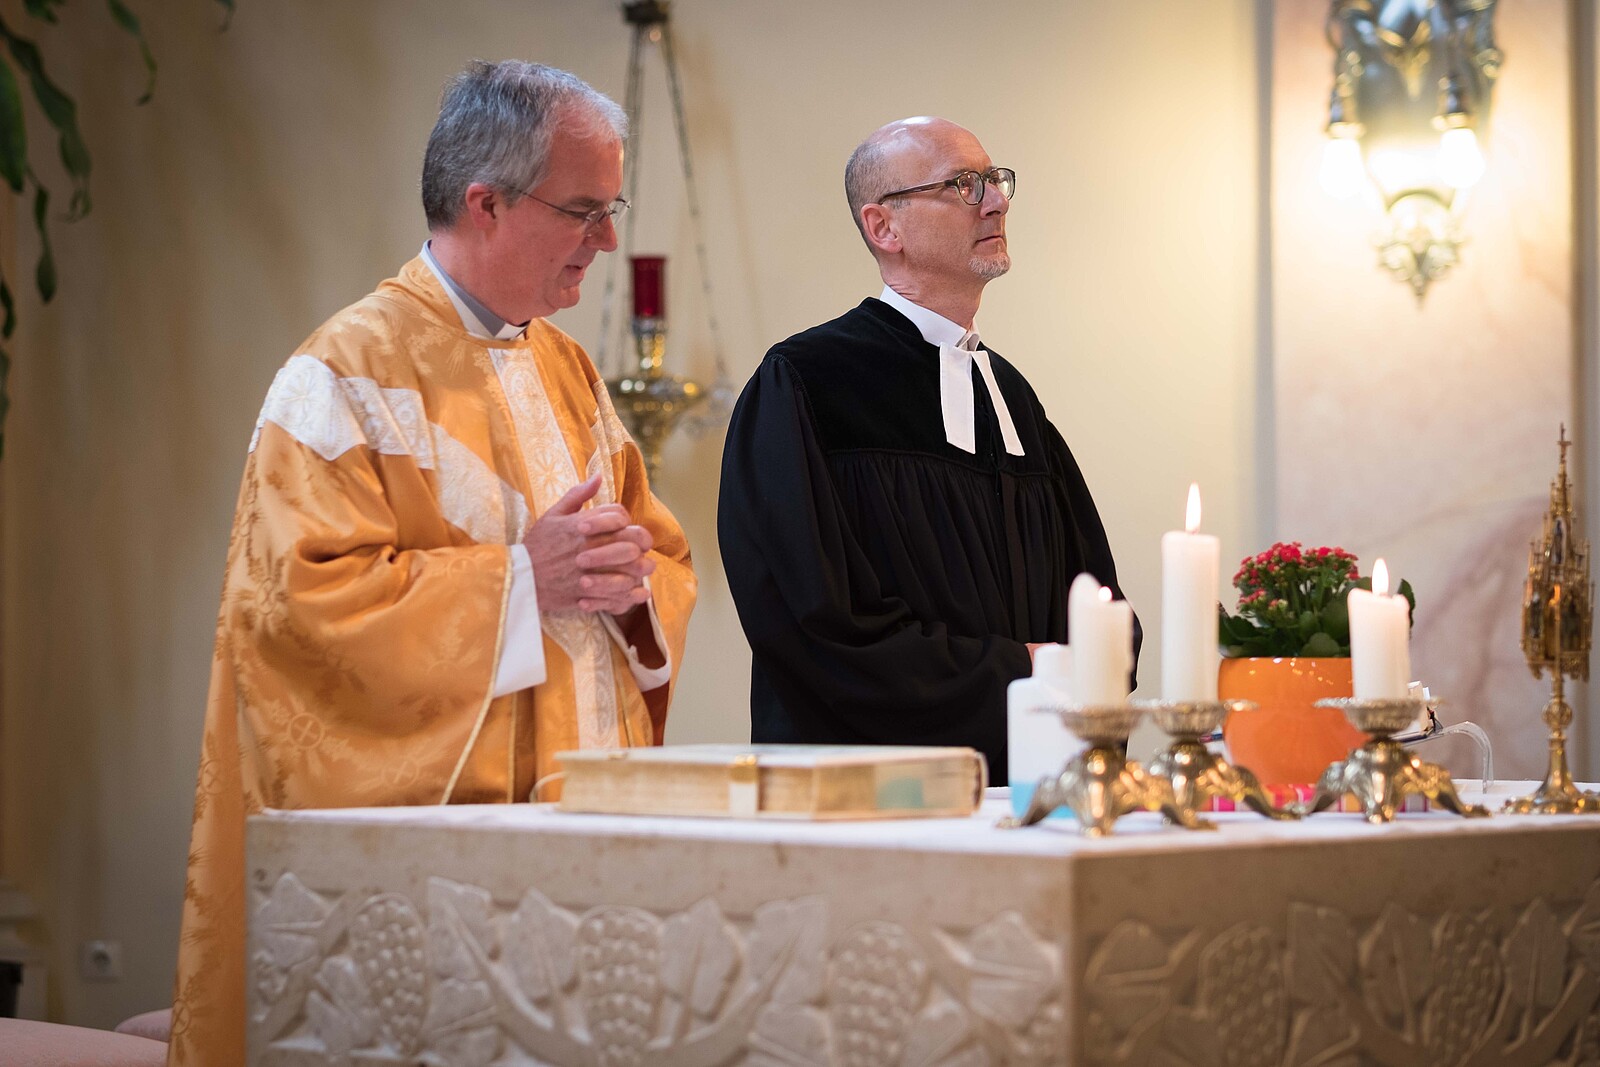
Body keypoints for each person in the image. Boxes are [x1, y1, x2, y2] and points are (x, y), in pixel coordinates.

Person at [168, 61, 696, 1064]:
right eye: (584, 211)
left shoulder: (567, 367)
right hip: (433, 869)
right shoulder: (342, 373)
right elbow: (294, 615)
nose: (607, 241)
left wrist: (631, 581)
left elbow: (655, 549)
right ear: (484, 203)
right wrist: (520, 585)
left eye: (612, 210)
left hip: (579, 834)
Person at [718, 116, 1135, 785]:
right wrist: (1027, 671)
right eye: (964, 184)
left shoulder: (1011, 395)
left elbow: (1094, 594)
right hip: (871, 797)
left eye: (995, 180)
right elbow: (813, 626)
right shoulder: (807, 382)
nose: (995, 201)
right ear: (884, 226)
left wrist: (1095, 658)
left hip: (1030, 791)